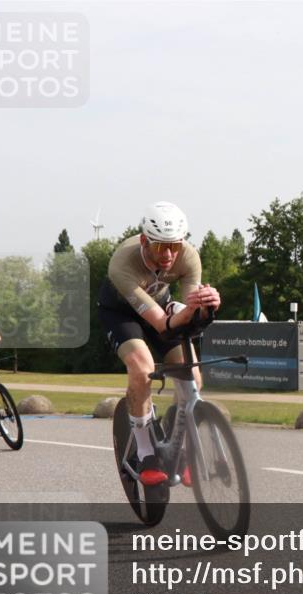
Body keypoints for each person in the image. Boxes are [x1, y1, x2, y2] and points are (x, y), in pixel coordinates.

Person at [97, 201, 220, 485]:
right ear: (144, 241)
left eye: (174, 246)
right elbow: (162, 323)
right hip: (121, 313)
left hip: (161, 307)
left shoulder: (188, 256)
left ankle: (176, 440)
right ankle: (146, 452)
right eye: (160, 247)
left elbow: (187, 312)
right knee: (142, 368)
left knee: (193, 377)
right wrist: (188, 312)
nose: (168, 255)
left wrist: (207, 306)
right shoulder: (122, 263)